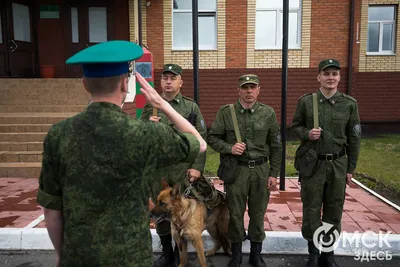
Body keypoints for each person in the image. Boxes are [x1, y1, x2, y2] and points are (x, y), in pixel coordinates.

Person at [36, 40, 207, 267]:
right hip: (131, 256)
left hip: (79, 255)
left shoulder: (58, 135)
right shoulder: (144, 133)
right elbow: (200, 143)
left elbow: (52, 210)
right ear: (125, 85)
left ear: (85, 84)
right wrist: (162, 104)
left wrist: (61, 255)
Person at [291, 59, 361, 267]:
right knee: (311, 208)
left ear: (339, 77)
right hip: (314, 166)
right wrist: (307, 133)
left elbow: (355, 138)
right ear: (318, 77)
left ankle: (328, 254)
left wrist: (351, 168)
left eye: (334, 74)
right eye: (326, 74)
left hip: (338, 165)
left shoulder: (349, 104)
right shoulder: (306, 102)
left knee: (334, 208)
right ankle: (313, 253)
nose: (331, 78)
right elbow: (295, 126)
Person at [207, 74, 282, 267]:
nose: (249, 91)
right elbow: (213, 138)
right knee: (235, 213)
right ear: (238, 90)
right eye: (245, 87)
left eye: (252, 87)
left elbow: (276, 145)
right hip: (237, 171)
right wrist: (229, 148)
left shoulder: (268, 113)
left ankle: (256, 254)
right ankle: (237, 254)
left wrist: (273, 173)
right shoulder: (226, 113)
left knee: (258, 213)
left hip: (260, 171)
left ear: (259, 90)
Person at [140, 63, 207, 267]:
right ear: (160, 82)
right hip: (158, 169)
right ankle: (167, 252)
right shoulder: (148, 107)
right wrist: (147, 127)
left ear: (180, 82)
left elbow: (201, 137)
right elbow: (140, 138)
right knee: (161, 210)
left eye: (173, 78)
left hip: (182, 168)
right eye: (165, 78)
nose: (168, 82)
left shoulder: (190, 107)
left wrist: (197, 166)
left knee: (182, 209)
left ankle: (182, 252)